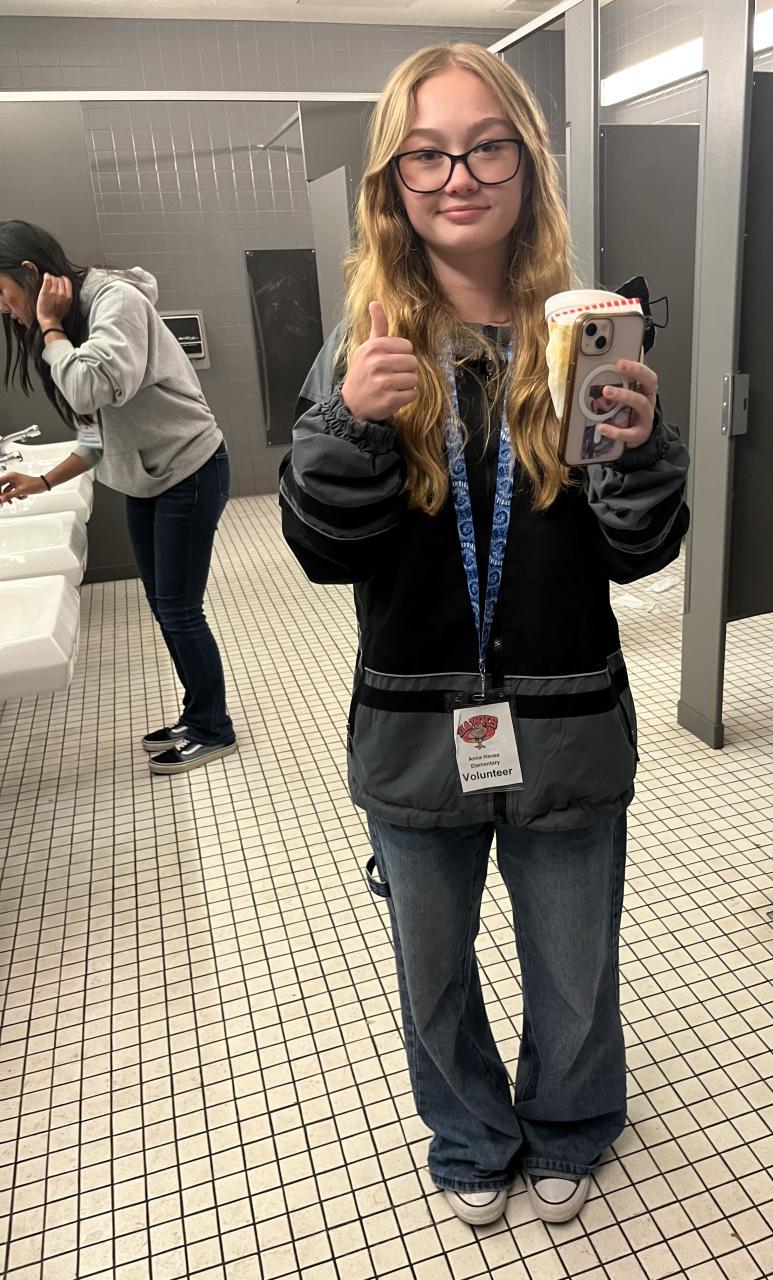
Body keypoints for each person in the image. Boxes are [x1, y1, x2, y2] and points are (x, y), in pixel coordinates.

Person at [279, 43, 690, 1227]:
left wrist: (642, 450)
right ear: (393, 181)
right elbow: (321, 550)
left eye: (485, 147)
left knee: (574, 957)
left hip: (565, 718)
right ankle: (468, 1131)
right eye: (427, 154)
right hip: (416, 728)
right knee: (432, 966)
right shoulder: (364, 350)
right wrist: (353, 426)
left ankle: (570, 1119)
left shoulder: (586, 338)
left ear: (527, 165)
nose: (457, 175)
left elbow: (638, 550)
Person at [0, 221, 236, 774]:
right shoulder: (75, 325)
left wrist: (51, 328)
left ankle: (214, 728)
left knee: (179, 609)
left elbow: (89, 387)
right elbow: (93, 436)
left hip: (189, 469)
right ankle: (197, 712)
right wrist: (42, 481)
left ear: (29, 273)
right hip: (145, 480)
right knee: (163, 606)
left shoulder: (115, 303)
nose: (5, 311)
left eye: (3, 295)